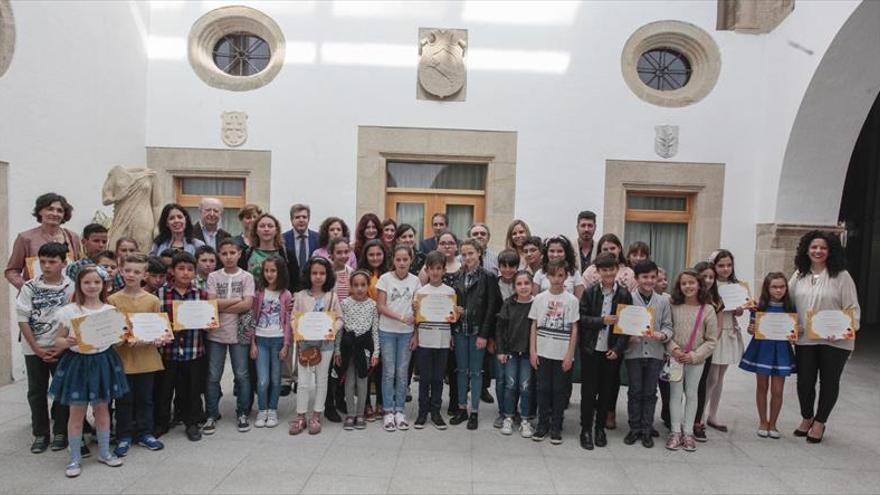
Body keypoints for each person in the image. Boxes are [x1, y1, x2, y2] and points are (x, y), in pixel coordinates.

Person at [49, 266, 128, 477]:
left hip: (103, 362)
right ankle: (75, 458)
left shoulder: (110, 311)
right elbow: (57, 340)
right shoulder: (69, 312)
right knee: (77, 412)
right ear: (79, 285)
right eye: (87, 283)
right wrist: (67, 341)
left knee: (102, 408)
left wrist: (120, 336)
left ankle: (104, 451)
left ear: (104, 285)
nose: (92, 286)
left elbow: (118, 340)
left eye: (96, 282)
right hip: (78, 363)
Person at [789, 230, 860, 443]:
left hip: (836, 341)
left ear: (830, 251)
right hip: (805, 339)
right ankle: (807, 417)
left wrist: (842, 330)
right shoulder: (799, 275)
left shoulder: (842, 276)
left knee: (829, 382)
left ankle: (819, 422)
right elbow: (788, 304)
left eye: (823, 248)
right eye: (814, 247)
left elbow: (852, 308)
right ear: (806, 250)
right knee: (805, 381)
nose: (818, 251)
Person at [16, 242, 75, 454]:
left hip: (62, 348)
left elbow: (73, 318)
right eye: (43, 262)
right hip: (34, 348)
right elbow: (23, 320)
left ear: (64, 263)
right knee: (36, 391)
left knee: (62, 391)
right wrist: (37, 348)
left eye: (52, 261)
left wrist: (60, 347)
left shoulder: (72, 286)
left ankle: (61, 431)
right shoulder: (29, 287)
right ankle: (40, 433)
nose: (47, 266)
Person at [108, 254, 167, 456]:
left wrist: (160, 338)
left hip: (147, 359)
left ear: (145, 275)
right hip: (122, 358)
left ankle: (145, 433)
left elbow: (159, 329)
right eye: (128, 270)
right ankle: (123, 435)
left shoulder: (152, 300)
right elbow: (110, 332)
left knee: (146, 398)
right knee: (123, 400)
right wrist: (123, 337)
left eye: (136, 271)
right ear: (121, 271)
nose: (131, 275)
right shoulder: (112, 300)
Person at [577, 253, 632, 450]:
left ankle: (599, 429)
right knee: (588, 391)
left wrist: (617, 349)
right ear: (598, 272)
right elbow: (581, 319)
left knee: (606, 391)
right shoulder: (590, 292)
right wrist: (602, 321)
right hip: (591, 350)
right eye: (604, 270)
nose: (608, 273)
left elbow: (627, 327)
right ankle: (585, 429)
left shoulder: (624, 294)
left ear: (617, 270)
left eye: (611, 269)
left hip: (611, 352)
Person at [154, 252, 209, 442]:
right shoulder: (160, 294)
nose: (185, 273)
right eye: (181, 269)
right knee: (164, 390)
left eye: (190, 269)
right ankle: (161, 422)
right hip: (167, 352)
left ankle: (192, 423)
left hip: (193, 351)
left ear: (195, 272)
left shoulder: (201, 295)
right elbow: (154, 320)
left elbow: (208, 321)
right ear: (172, 271)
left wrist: (208, 321)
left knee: (192, 390)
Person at [204, 239, 255, 435]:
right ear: (219, 255)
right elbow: (211, 304)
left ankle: (242, 412)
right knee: (213, 376)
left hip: (239, 333)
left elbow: (247, 305)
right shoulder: (213, 277)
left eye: (232, 252)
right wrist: (236, 300)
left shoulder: (247, 277)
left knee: (241, 375)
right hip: (216, 333)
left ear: (239, 254)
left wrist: (222, 303)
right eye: (224, 253)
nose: (229, 257)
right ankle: (211, 414)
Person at [449, 239, 501, 430]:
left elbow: (491, 308)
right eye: (464, 254)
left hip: (478, 331)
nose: (467, 257)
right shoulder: (458, 276)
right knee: (461, 371)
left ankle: (475, 412)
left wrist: (485, 335)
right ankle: (462, 408)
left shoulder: (488, 277)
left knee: (477, 372)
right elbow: (452, 305)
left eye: (471, 253)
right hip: (460, 331)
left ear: (479, 253)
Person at [665, 269, 718, 452]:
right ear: (679, 286)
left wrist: (695, 355)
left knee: (692, 394)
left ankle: (688, 432)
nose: (688, 286)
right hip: (675, 358)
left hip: (696, 360)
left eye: (692, 282)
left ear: (699, 284)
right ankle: (675, 431)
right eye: (684, 283)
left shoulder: (708, 309)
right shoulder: (673, 306)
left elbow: (712, 340)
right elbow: (666, 331)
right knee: (675, 394)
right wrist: (674, 349)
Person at [289, 257, 343, 435]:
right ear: (308, 274)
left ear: (328, 275)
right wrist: (297, 327)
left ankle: (316, 415)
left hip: (325, 345)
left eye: (322, 273)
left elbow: (340, 319)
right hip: (305, 344)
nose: (318, 277)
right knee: (303, 382)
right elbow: (293, 318)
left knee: (322, 380)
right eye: (314, 273)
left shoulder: (332, 296)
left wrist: (332, 329)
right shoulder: (301, 295)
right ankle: (301, 416)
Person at [740, 272, 797, 439]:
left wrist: (796, 332)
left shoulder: (790, 307)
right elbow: (752, 328)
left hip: (782, 350)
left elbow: (794, 330)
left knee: (778, 390)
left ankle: (773, 423)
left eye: (782, 287)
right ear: (767, 288)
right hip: (763, 349)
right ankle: (763, 421)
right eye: (774, 287)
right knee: (762, 387)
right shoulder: (759, 306)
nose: (778, 290)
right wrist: (751, 329)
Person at [529, 259, 579, 444]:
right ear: (547, 276)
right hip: (542, 352)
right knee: (542, 389)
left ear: (566, 277)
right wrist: (533, 351)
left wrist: (570, 355)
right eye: (553, 275)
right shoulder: (539, 299)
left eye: (560, 275)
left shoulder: (572, 300)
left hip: (562, 354)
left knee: (559, 390)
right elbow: (534, 325)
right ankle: (542, 424)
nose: (556, 279)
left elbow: (574, 328)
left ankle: (556, 425)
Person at [624, 261, 673, 448]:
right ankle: (634, 427)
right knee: (635, 391)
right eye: (644, 277)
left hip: (655, 352)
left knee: (650, 392)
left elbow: (668, 326)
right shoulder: (628, 298)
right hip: (633, 353)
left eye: (653, 277)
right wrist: (628, 337)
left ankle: (646, 428)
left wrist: (663, 334)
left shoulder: (663, 301)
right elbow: (620, 326)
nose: (649, 281)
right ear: (636, 279)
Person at [376, 245, 421, 432]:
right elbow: (380, 306)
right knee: (389, 372)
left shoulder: (416, 281)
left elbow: (418, 309)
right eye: (398, 259)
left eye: (405, 259)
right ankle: (388, 410)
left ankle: (399, 410)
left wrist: (415, 334)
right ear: (393, 260)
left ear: (411, 260)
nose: (402, 263)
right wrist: (400, 317)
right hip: (387, 331)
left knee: (402, 373)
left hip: (406, 334)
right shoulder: (385, 279)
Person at [704, 249, 748, 433]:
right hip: (715, 332)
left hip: (730, 329)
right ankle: (698, 413)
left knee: (720, 377)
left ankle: (712, 415)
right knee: (711, 377)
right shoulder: (709, 283)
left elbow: (741, 308)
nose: (725, 269)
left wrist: (740, 310)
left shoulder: (737, 285)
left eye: (728, 265)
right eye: (721, 265)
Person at [412, 252, 456, 430]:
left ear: (444, 270)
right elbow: (416, 319)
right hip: (424, 340)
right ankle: (422, 412)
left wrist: (454, 322)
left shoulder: (450, 292)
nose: (436, 272)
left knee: (438, 378)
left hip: (443, 341)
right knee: (424, 378)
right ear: (427, 270)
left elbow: (452, 318)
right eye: (432, 268)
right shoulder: (421, 293)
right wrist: (415, 335)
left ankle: (436, 412)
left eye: (439, 268)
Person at [249, 256, 292, 429]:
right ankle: (262, 409)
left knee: (276, 379)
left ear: (280, 272)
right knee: (263, 380)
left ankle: (272, 409)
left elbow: (288, 321)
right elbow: (252, 317)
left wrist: (286, 345)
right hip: (260, 340)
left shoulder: (286, 294)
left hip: (278, 340)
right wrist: (252, 343)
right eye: (266, 270)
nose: (269, 274)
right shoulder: (258, 292)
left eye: (273, 270)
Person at [6, 192, 81, 290]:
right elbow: (11, 271)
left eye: (59, 211)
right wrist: (27, 289)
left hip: (67, 297)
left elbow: (79, 268)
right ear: (40, 211)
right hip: (36, 299)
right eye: (50, 209)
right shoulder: (25, 238)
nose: (55, 213)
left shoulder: (72, 237)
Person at [336, 270, 379, 431]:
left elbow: (375, 331)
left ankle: (360, 413)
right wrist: (337, 351)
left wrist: (375, 353)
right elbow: (340, 330)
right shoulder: (345, 304)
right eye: (356, 285)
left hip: (364, 350)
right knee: (349, 382)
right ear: (351, 287)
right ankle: (350, 413)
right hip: (348, 349)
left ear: (368, 286)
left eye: (363, 285)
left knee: (362, 382)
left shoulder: (372, 305)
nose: (359, 288)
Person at [495, 270, 535, 438]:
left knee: (525, 386)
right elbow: (500, 328)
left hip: (528, 353)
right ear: (514, 287)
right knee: (510, 384)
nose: (523, 287)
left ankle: (525, 419)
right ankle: (508, 416)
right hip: (511, 352)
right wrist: (501, 350)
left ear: (532, 285)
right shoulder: (508, 303)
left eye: (526, 283)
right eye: (519, 284)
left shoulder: (537, 303)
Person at [357, 239, 389, 421]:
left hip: (385, 325)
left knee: (382, 366)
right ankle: (367, 403)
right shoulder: (361, 274)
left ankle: (381, 402)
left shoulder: (389, 274)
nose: (375, 257)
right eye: (371, 254)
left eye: (378, 254)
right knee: (367, 364)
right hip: (365, 325)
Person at [693, 260, 723, 442]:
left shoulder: (717, 300)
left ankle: (697, 421)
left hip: (704, 350)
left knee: (701, 386)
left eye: (712, 277)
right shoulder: (688, 294)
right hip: (685, 347)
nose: (709, 280)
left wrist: (707, 346)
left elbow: (718, 327)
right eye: (705, 276)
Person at [533, 235, 585, 299]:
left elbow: (579, 300)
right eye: (552, 251)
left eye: (560, 251)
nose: (555, 255)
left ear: (566, 253)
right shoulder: (540, 273)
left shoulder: (574, 273)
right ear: (546, 253)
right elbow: (534, 299)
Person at [282, 203, 319, 288]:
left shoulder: (318, 238)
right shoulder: (282, 239)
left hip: (313, 286)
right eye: (297, 217)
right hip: (290, 285)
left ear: (308, 219)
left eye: (304, 217)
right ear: (291, 220)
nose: (301, 220)